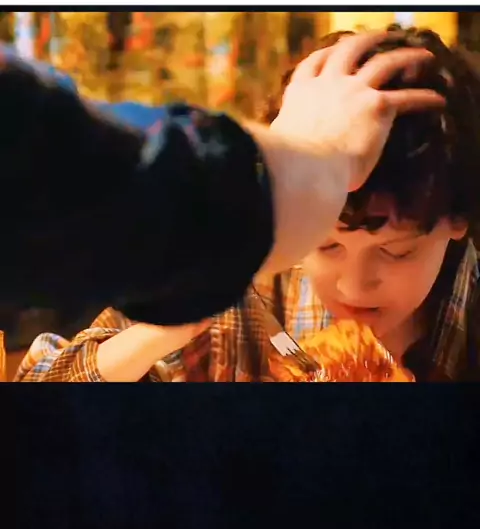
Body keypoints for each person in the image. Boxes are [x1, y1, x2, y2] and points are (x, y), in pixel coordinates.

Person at [17, 26, 472, 384]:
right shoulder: (242, 279)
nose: (353, 287)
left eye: (395, 251)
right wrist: (170, 325)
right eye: (327, 245)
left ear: (459, 220)